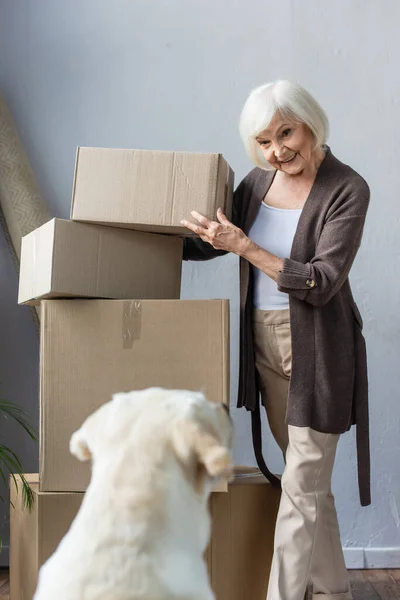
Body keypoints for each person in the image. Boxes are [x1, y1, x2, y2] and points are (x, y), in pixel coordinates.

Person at [181, 80, 370, 600]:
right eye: (264, 141)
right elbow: (216, 244)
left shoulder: (347, 189)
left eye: (286, 132)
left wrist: (244, 246)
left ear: (311, 122)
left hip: (320, 350)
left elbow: (321, 280)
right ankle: (335, 592)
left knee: (301, 488)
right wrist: (170, 234)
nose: (277, 149)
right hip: (263, 343)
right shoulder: (257, 183)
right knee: (306, 485)